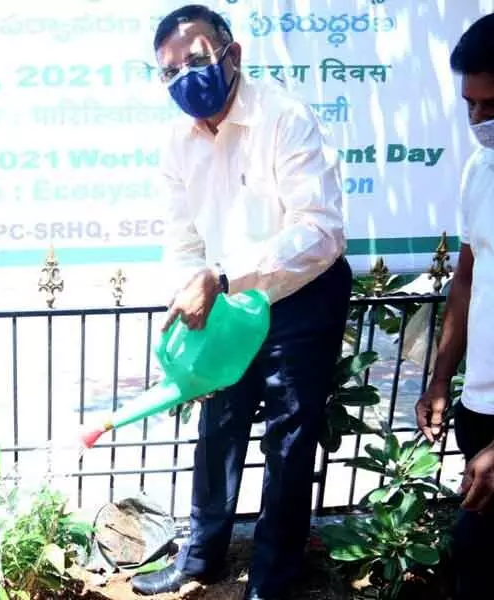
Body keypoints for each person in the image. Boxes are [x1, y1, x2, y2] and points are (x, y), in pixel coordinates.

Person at [130, 6, 352, 599]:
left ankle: (272, 578)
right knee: (218, 426)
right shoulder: (175, 142)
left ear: (234, 54)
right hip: (225, 304)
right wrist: (189, 295)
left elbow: (321, 230)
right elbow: (182, 240)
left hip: (299, 298)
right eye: (169, 71)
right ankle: (199, 559)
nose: (185, 78)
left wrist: (224, 277)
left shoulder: (286, 118)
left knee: (288, 436)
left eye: (196, 60)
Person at [414, 13, 494, 600]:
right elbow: (466, 278)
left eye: (491, 105)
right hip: (481, 407)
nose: (478, 121)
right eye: (470, 105)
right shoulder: (481, 169)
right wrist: (442, 378)